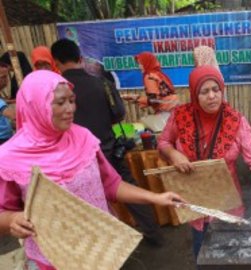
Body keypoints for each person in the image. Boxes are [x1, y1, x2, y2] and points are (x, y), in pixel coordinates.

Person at [0, 70, 183, 269]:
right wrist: (12, 220)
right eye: (60, 103)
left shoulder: (83, 138)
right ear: (35, 105)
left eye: (72, 100)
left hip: (101, 250)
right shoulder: (9, 158)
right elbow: (4, 213)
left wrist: (156, 198)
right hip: (53, 260)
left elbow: (111, 184)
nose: (70, 108)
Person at [51, 38, 165, 246]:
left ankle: (104, 246)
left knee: (87, 200)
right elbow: (119, 114)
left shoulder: (57, 91)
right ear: (80, 57)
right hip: (109, 149)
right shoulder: (101, 83)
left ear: (56, 61)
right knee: (128, 190)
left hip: (74, 160)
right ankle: (153, 235)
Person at [158, 65, 251, 257]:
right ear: (194, 94)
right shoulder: (180, 117)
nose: (212, 96)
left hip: (227, 201)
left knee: (229, 254)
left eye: (216, 90)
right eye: (204, 92)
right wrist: (173, 154)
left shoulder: (235, 121)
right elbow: (163, 141)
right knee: (202, 253)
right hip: (195, 199)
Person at [133, 52, 179, 132]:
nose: (139, 67)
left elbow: (154, 100)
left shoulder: (149, 76)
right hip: (175, 110)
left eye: (141, 64)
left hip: (165, 113)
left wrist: (137, 99)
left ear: (146, 63)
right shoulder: (159, 74)